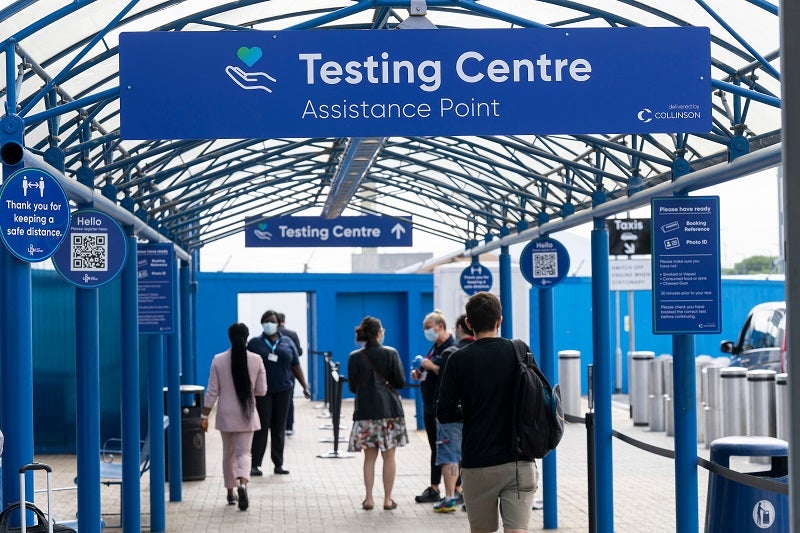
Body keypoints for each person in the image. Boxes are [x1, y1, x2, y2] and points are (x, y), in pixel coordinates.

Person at [437, 292, 538, 533]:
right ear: (499, 320)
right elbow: (535, 398)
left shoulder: (458, 359)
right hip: (519, 459)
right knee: (518, 529)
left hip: (478, 462)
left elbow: (444, 412)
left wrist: (470, 411)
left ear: (468, 323)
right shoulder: (519, 350)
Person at [201, 323, 267, 510]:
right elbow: (262, 390)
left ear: (229, 338)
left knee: (228, 453)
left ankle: (230, 493)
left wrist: (204, 415)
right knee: (244, 453)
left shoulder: (218, 360)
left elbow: (212, 391)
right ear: (247, 338)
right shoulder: (256, 359)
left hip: (226, 415)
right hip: (247, 413)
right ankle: (243, 484)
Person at [346, 316, 409, 511]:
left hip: (365, 412)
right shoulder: (391, 353)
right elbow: (400, 382)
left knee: (369, 458)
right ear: (379, 333)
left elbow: (353, 387)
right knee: (389, 457)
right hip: (389, 412)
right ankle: (388, 499)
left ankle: (369, 498)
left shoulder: (354, 357)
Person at [247, 309, 311, 476]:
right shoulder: (255, 343)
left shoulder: (287, 342)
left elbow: (295, 365)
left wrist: (304, 386)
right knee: (261, 426)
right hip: (262, 391)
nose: (270, 324)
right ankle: (255, 464)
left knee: (279, 427)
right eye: (267, 321)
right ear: (262, 324)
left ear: (278, 324)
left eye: (273, 321)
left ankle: (278, 464)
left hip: (283, 389)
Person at [432, 313, 475, 513]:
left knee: (450, 454)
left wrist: (439, 411)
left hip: (452, 415)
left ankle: (450, 497)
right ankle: (469, 498)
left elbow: (443, 388)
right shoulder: (481, 351)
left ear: (460, 327)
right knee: (471, 456)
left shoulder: (451, 352)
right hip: (475, 414)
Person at [411, 309, 455, 504]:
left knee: (447, 449)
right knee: (435, 448)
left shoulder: (451, 348)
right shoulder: (435, 348)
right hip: (430, 406)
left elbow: (448, 373)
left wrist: (432, 367)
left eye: (429, 328)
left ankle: (454, 490)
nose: (426, 332)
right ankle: (435, 487)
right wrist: (420, 373)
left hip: (442, 407)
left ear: (440, 327)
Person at [277, 311, 303, 436]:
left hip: (274, 372)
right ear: (284, 320)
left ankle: (277, 426)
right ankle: (289, 426)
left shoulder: (270, 335)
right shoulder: (292, 334)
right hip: (290, 371)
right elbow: (299, 352)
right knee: (289, 399)